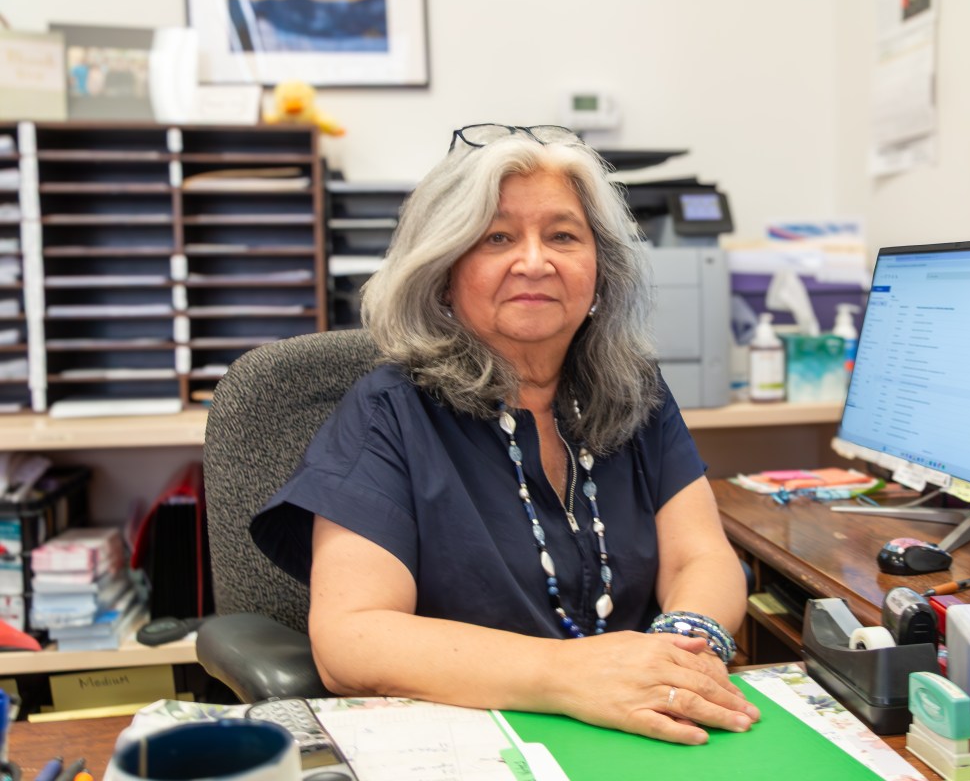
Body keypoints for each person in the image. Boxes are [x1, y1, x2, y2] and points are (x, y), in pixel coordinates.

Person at [251, 123, 759, 745]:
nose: (535, 261)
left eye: (563, 235)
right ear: (443, 271)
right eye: (497, 237)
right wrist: (572, 675)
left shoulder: (636, 391)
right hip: (473, 739)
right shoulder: (388, 413)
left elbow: (701, 555)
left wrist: (688, 647)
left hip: (641, 730)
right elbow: (352, 639)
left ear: (599, 268)